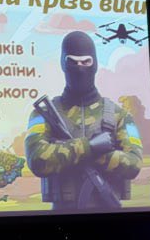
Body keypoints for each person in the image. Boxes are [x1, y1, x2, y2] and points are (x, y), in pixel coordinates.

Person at [25, 31, 142, 210]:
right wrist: (89, 147)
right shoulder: (45, 113)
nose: (80, 68)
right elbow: (37, 160)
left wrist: (94, 153)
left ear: (95, 64)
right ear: (63, 64)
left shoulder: (119, 115)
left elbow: (134, 164)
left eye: (86, 61)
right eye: (73, 62)